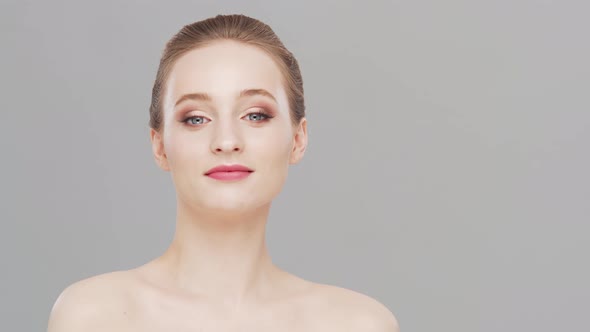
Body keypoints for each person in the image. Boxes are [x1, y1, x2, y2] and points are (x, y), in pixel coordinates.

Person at [47, 14, 400, 331]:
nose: (227, 141)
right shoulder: (92, 317)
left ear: (298, 138)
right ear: (160, 146)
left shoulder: (358, 324)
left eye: (255, 115)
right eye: (196, 118)